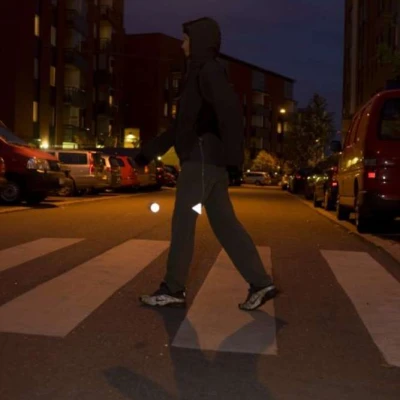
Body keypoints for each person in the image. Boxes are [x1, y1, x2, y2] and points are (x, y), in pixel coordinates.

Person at [135, 17, 278, 311]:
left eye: (186, 39)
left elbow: (230, 113)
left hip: (200, 161)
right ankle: (260, 283)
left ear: (199, 41)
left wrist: (234, 161)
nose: (182, 44)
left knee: (184, 223)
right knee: (226, 225)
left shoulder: (209, 71)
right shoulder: (199, 74)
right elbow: (180, 128)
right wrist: (146, 154)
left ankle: (173, 289)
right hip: (208, 163)